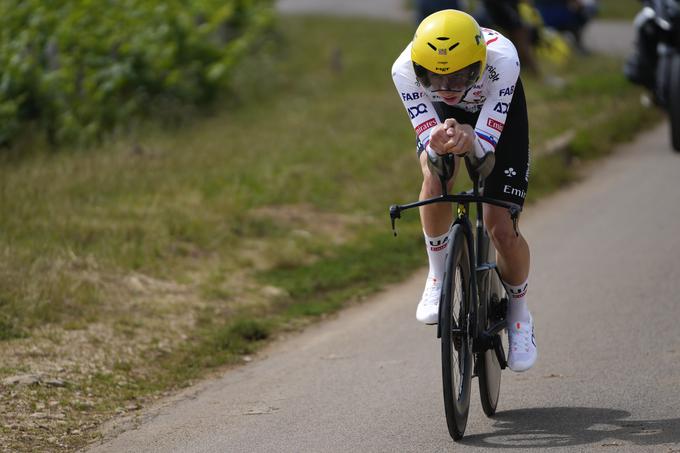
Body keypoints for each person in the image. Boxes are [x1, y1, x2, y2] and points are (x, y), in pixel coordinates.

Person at [391, 9, 537, 371]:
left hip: (497, 118)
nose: (448, 89)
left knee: (501, 227)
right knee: (437, 173)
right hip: (442, 119)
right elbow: (432, 145)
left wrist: (474, 139)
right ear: (419, 68)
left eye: (460, 78)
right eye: (435, 80)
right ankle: (438, 274)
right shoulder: (404, 71)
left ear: (479, 63)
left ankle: (520, 314)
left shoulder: (502, 60)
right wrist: (438, 143)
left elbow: (485, 154)